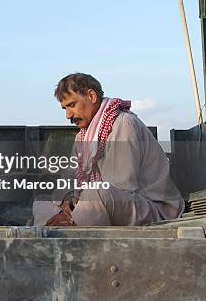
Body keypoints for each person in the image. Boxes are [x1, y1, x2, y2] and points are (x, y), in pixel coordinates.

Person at [33, 73, 184, 226]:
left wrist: (76, 207)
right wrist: (66, 200)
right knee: (41, 201)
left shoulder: (123, 124)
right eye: (64, 108)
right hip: (101, 202)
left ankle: (69, 235)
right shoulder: (82, 137)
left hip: (151, 208)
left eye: (72, 105)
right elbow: (68, 178)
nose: (68, 115)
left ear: (91, 96)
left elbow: (120, 186)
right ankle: (60, 233)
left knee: (96, 193)